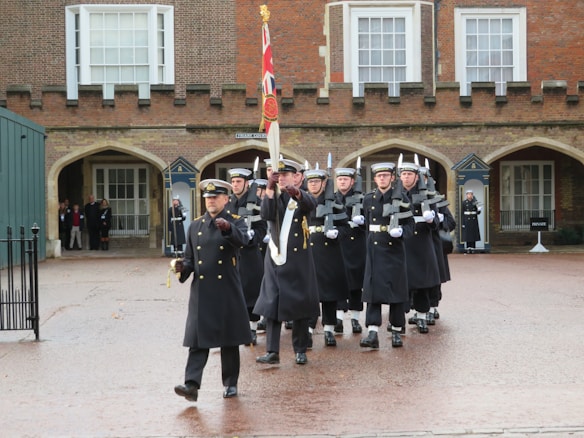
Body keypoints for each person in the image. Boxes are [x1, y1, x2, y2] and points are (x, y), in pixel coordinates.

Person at [172, 179, 252, 402]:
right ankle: (191, 384)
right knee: (197, 341)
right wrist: (182, 268)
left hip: (226, 289)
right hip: (202, 291)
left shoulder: (236, 221)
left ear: (226, 200)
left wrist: (229, 230)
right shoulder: (195, 226)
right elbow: (190, 259)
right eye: (208, 198)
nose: (211, 201)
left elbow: (243, 241)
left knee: (229, 340)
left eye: (215, 197)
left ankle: (230, 384)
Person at [254, 159, 320, 365]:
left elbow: (311, 205)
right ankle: (272, 351)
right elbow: (265, 213)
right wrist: (270, 186)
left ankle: (300, 350)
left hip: (297, 261)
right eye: (278, 175)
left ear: (296, 177)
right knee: (272, 306)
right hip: (275, 260)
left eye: (285, 175)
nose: (282, 178)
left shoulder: (301, 197)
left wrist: (297, 193)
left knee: (299, 307)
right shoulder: (273, 195)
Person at [359, 163, 414, 349]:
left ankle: (397, 330)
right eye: (379, 176)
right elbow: (366, 224)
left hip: (394, 249)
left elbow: (410, 225)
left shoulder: (402, 198)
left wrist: (401, 231)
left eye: (385, 175)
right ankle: (373, 332)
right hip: (374, 248)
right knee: (372, 292)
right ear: (374, 179)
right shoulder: (369, 199)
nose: (382, 178)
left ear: (392, 178)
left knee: (396, 292)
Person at [305, 168, 350, 347]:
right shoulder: (302, 201)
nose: (313, 184)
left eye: (317, 181)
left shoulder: (335, 201)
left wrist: (336, 232)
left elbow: (346, 227)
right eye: (311, 182)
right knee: (309, 294)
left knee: (329, 294)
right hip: (307, 250)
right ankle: (308, 330)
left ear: (324, 183)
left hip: (329, 251)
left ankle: (329, 330)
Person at [226, 168, 268, 346]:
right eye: (233, 182)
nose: (235, 185)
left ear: (246, 183)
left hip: (250, 253)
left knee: (251, 293)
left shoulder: (257, 202)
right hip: (232, 254)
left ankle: (251, 329)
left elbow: (263, 227)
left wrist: (253, 236)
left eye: (238, 182)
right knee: (234, 293)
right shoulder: (228, 204)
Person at [399, 160, 441, 334]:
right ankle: (398, 318)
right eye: (404, 174)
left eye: (410, 174)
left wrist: (431, 219)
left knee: (423, 283)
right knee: (401, 283)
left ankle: (422, 317)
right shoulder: (396, 194)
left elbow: (436, 225)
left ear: (417, 177)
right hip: (402, 242)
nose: (406, 177)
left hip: (422, 242)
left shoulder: (427, 195)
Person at [334, 167, 366, 334]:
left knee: (356, 285)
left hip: (356, 245)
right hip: (338, 244)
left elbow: (372, 218)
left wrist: (363, 221)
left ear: (352, 181)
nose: (342, 182)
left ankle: (355, 319)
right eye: (340, 179)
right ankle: (338, 318)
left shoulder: (362, 198)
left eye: (346, 179)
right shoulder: (331, 199)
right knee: (339, 282)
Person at [461, 189, 482, 253]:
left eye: (470, 194)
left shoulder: (475, 202)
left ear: (472, 195)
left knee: (473, 234)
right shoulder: (464, 202)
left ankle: (473, 248)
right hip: (467, 219)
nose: (469, 195)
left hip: (473, 220)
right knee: (467, 235)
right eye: (468, 194)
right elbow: (462, 213)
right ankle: (468, 247)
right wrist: (463, 222)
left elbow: (478, 213)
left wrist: (479, 210)